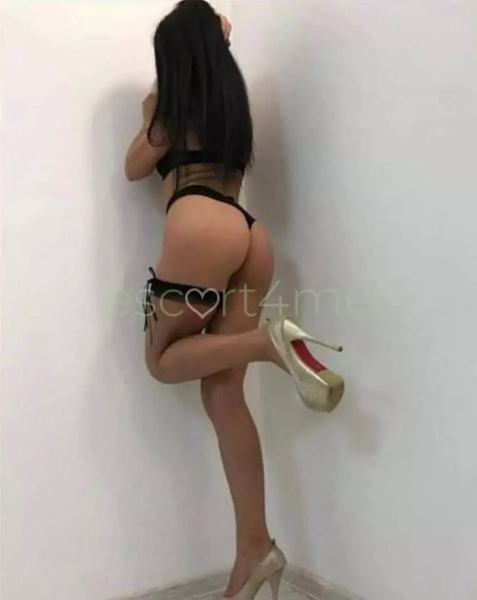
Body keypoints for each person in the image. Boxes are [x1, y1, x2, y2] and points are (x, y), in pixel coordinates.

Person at [124, 2, 345, 599]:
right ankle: (255, 550)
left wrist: (151, 103)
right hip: (248, 233)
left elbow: (133, 166)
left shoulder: (168, 109)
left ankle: (268, 342)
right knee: (224, 395)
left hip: (198, 223)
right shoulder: (229, 100)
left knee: (161, 360)